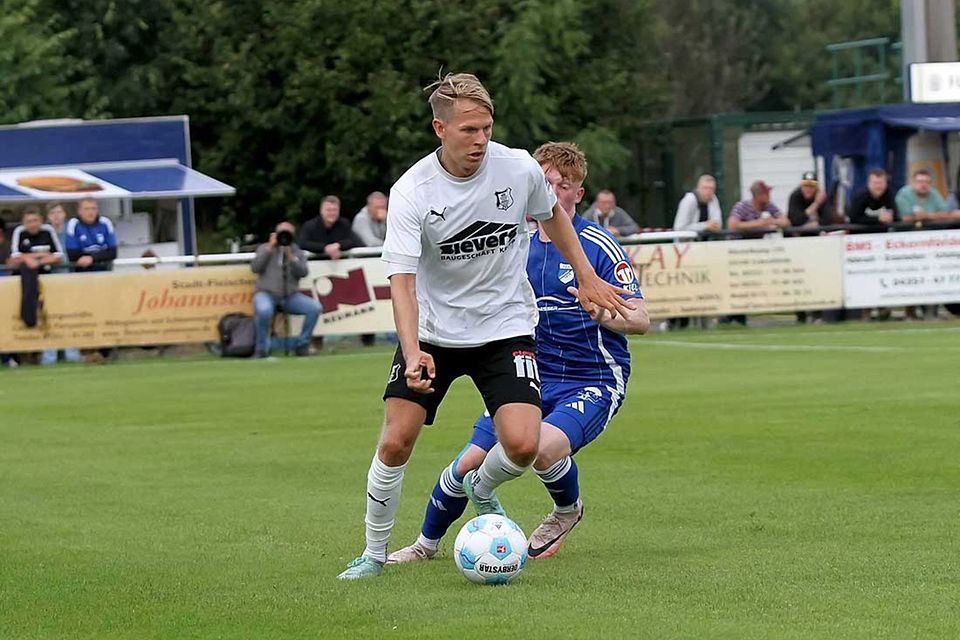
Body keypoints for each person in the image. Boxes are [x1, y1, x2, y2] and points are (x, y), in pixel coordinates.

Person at [336, 73, 631, 580]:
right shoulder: (412, 191)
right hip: (433, 333)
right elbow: (402, 282)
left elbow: (554, 217)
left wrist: (585, 275)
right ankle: (373, 552)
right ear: (439, 128)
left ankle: (477, 487)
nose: (480, 140)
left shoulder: (517, 168)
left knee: (521, 444)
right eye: (469, 129)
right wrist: (412, 351)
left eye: (486, 128)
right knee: (395, 442)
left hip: (505, 328)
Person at [386, 141, 648, 565]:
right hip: (530, 373)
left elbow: (641, 319)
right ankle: (424, 546)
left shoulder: (596, 246)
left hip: (592, 377)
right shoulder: (513, 242)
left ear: (578, 194)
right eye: (545, 181)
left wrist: (602, 311)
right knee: (465, 465)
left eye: (564, 185)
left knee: (542, 447)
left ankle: (566, 509)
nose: (552, 190)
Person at [250, 221, 322, 358]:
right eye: (281, 233)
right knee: (264, 310)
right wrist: (270, 248)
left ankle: (302, 345)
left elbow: (303, 272)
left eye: (287, 233)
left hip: (290, 296)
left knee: (314, 308)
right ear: (275, 234)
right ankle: (261, 349)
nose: (284, 237)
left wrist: (291, 257)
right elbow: (255, 268)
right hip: (265, 293)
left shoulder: (297, 251)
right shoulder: (264, 248)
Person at [43, 201, 82, 364]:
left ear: (64, 213)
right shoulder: (44, 232)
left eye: (59, 212)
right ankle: (49, 357)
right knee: (49, 318)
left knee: (71, 317)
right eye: (53, 213)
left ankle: (72, 354)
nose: (57, 216)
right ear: (48, 216)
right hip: (49, 280)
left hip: (69, 279)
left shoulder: (72, 231)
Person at [298, 195, 362, 259]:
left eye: (335, 210)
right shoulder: (310, 225)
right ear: (321, 211)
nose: (332, 213)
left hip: (342, 265)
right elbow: (303, 243)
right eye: (328, 210)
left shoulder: (344, 224)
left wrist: (338, 245)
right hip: (316, 264)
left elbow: (354, 241)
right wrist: (325, 248)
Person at [65, 198, 118, 272]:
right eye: (87, 209)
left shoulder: (106, 223)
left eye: (93, 208)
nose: (91, 212)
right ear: (79, 211)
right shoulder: (73, 224)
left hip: (103, 270)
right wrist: (101, 255)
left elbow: (113, 252)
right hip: (80, 271)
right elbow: (72, 254)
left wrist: (92, 258)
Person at [895, 168, 960, 224]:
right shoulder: (903, 194)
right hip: (907, 231)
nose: (924, 185)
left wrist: (926, 215)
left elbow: (946, 214)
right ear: (912, 183)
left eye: (927, 182)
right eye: (920, 181)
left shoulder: (933, 192)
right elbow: (905, 218)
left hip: (933, 229)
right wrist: (934, 216)